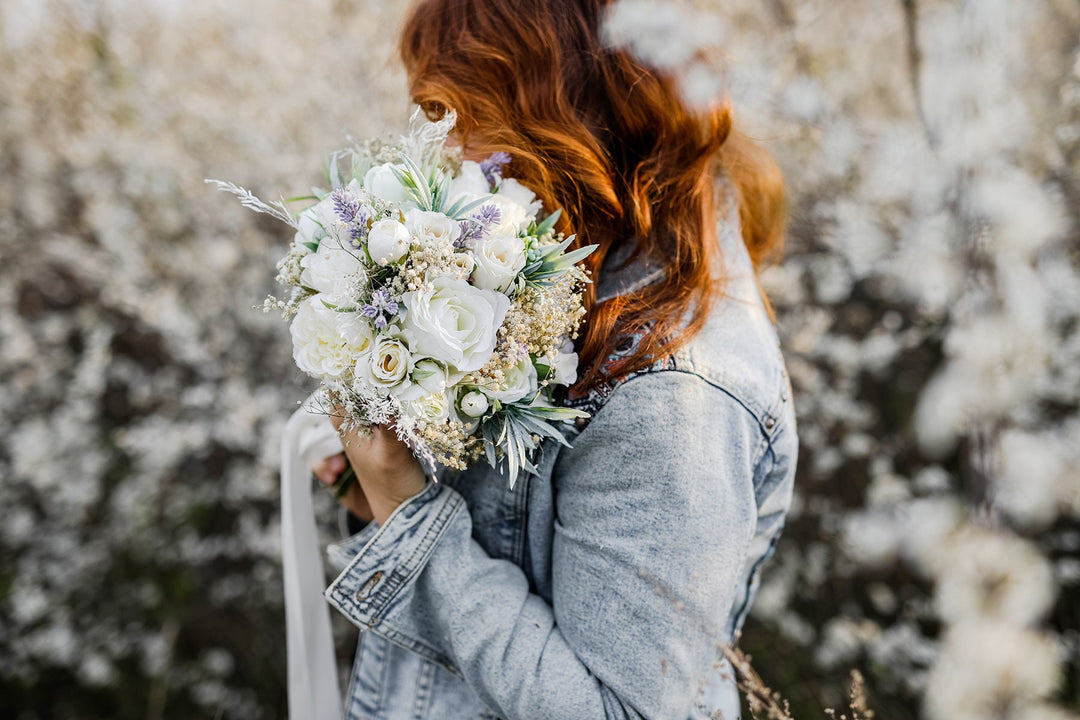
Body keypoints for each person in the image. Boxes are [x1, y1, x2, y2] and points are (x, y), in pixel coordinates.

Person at [297, 0, 796, 717]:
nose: (445, 151)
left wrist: (412, 515)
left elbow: (616, 709)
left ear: (558, 115)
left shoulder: (675, 396)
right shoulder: (568, 270)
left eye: (461, 115)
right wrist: (377, 494)